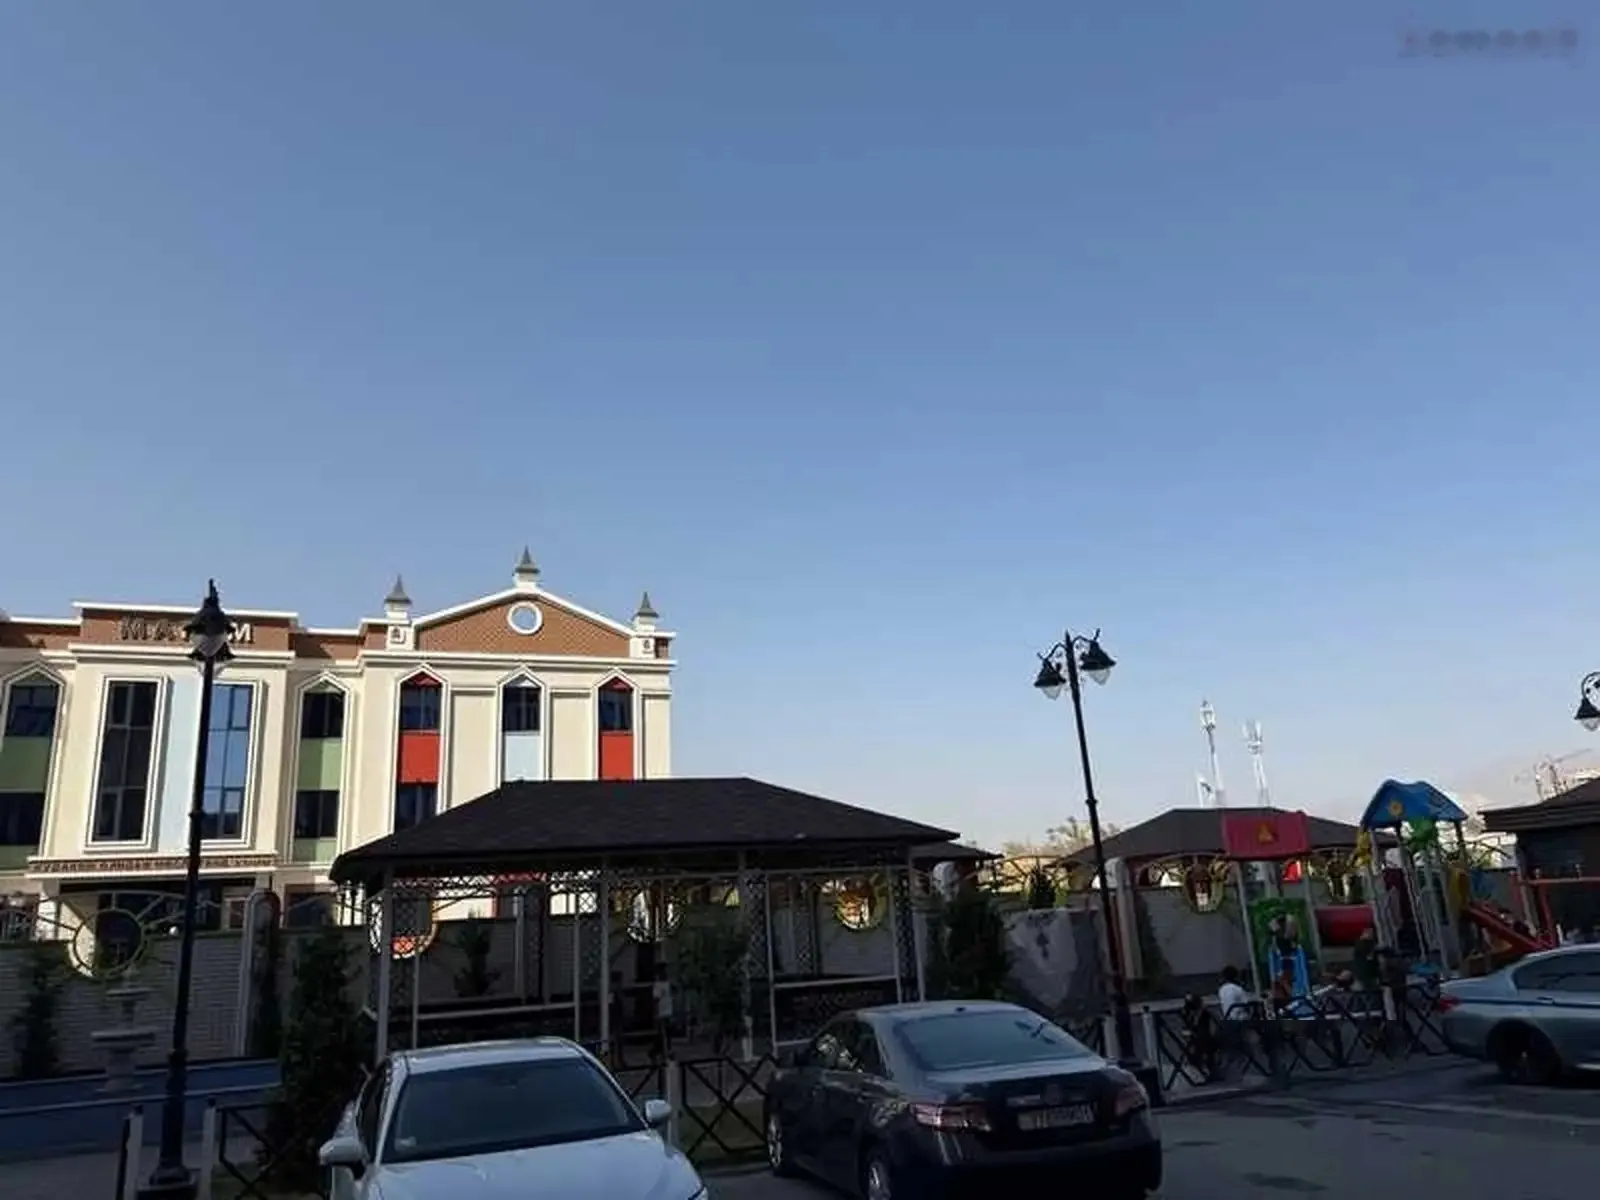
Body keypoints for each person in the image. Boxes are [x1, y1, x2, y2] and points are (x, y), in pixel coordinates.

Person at [649, 961, 675, 1061]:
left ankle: (663, 1050)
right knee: (663, 1033)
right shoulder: (658, 985)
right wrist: (656, 1013)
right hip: (662, 1012)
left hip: (668, 1011)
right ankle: (663, 1052)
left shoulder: (667, 984)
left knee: (667, 1033)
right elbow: (656, 1000)